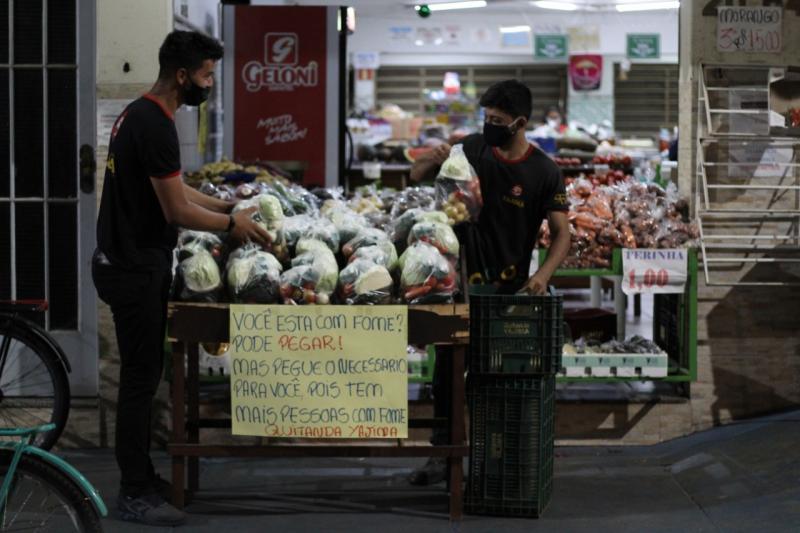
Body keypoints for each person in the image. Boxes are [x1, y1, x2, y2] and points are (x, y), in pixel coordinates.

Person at [92, 31, 270, 526]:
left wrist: (228, 204)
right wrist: (231, 224)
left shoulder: (142, 113)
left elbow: (176, 190)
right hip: (132, 268)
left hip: (130, 262)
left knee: (145, 379)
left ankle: (143, 478)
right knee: (139, 380)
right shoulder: (155, 124)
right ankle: (132, 492)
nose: (209, 84)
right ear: (182, 75)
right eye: (207, 75)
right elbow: (174, 210)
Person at [407, 80, 571, 484]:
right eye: (486, 117)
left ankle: (491, 458)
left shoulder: (544, 171)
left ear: (519, 122)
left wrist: (541, 276)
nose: (489, 124)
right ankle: (442, 457)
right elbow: (415, 175)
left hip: (508, 293)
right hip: (457, 286)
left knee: (494, 379)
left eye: (497, 120)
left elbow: (562, 233)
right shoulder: (472, 147)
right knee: (446, 378)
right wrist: (432, 158)